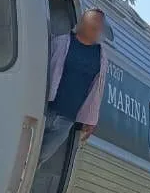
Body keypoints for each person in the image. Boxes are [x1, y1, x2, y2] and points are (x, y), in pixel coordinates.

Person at [38, 9, 109, 167]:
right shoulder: (61, 42)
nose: (95, 28)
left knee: (40, 157)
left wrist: (91, 119)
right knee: (26, 149)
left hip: (66, 119)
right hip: (44, 108)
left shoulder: (101, 56)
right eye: (92, 23)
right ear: (82, 22)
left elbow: (97, 89)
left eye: (98, 25)